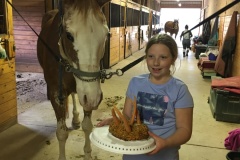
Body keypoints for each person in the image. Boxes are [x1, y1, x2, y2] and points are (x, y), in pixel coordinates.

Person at [97, 33, 194, 160]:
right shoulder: (135, 82)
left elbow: (184, 130)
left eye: (163, 57)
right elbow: (127, 115)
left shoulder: (180, 90)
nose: (156, 62)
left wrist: (166, 143)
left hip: (164, 156)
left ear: (173, 58)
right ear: (146, 57)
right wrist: (116, 121)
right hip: (132, 154)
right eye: (151, 56)